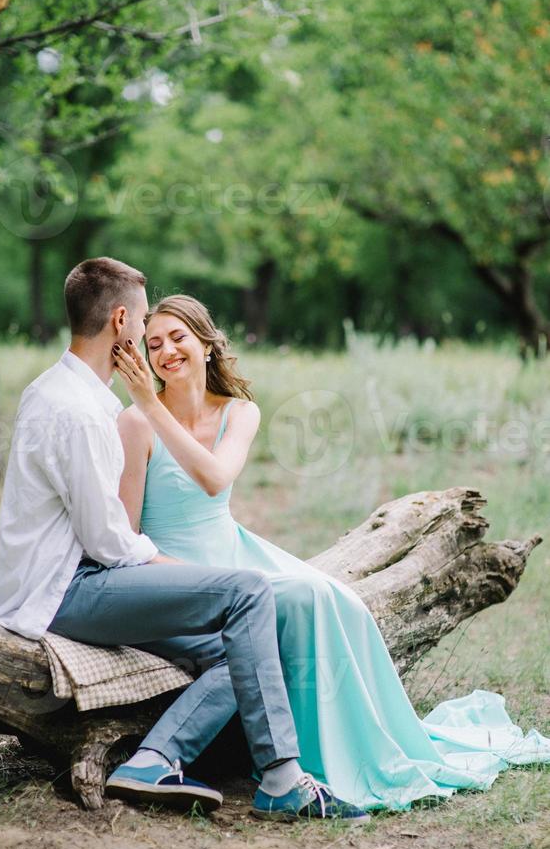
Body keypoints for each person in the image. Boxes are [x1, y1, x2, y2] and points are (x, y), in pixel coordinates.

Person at [114, 293, 550, 812]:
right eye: (154, 342)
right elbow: (126, 536)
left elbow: (215, 477)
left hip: (234, 553)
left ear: (207, 345)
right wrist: (148, 405)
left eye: (178, 337)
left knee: (333, 597)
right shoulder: (136, 422)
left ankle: (350, 748)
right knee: (292, 604)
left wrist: (149, 404)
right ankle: (286, 772)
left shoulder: (239, 412)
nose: (165, 352)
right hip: (176, 572)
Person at [0, 258, 370, 824]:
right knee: (245, 593)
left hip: (79, 579)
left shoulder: (71, 394)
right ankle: (282, 779)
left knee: (233, 647)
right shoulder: (81, 411)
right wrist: (172, 566)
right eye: (144, 322)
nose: (148, 338)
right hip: (66, 590)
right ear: (121, 320)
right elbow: (109, 541)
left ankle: (155, 759)